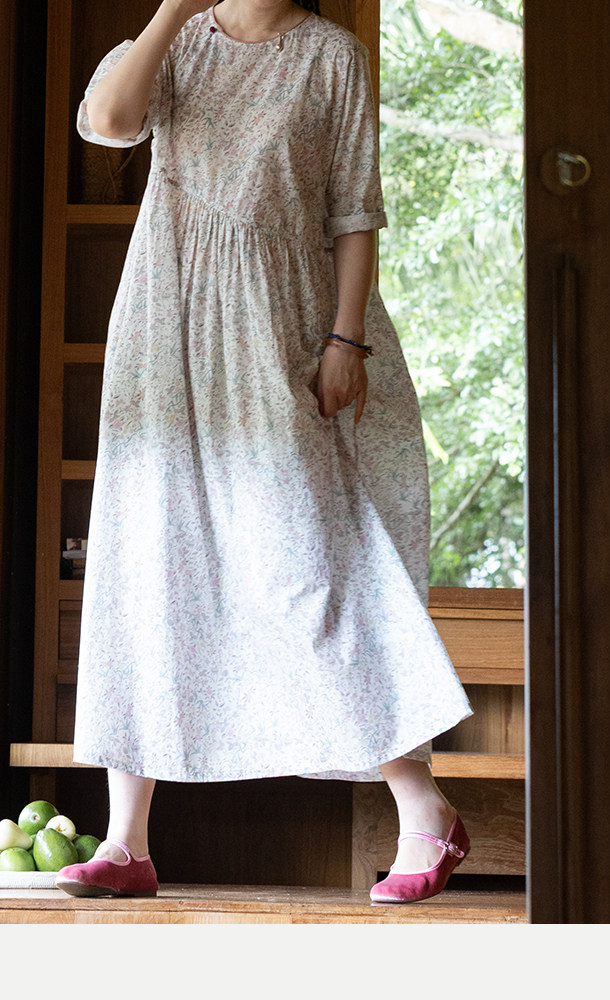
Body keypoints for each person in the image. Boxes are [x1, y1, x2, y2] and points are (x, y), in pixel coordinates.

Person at [53, 0, 475, 905]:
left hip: (281, 322)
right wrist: (172, 10)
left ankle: (423, 807)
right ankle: (127, 841)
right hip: (164, 323)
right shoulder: (173, 44)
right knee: (149, 557)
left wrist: (345, 341)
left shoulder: (332, 57)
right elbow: (111, 123)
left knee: (312, 569)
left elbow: (355, 210)